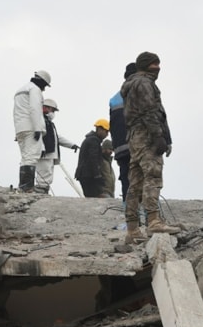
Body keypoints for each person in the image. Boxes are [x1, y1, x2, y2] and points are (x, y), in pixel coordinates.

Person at [120, 51, 179, 244]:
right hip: (146, 135)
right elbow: (149, 110)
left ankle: (132, 228)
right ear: (147, 66)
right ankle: (153, 220)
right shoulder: (145, 83)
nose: (158, 68)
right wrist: (158, 136)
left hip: (134, 137)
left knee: (135, 182)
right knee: (152, 175)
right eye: (155, 64)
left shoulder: (131, 84)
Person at [13, 70, 51, 192]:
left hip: (20, 128)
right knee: (32, 157)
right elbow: (35, 109)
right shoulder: (35, 90)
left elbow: (17, 112)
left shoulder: (20, 90)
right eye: (44, 86)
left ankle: (23, 186)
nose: (44, 89)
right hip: (31, 127)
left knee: (25, 157)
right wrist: (37, 128)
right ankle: (27, 187)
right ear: (42, 82)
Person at [34, 99, 78, 194]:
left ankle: (44, 190)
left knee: (48, 172)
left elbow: (57, 138)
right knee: (44, 172)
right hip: (44, 152)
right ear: (45, 107)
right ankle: (40, 190)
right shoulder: (39, 120)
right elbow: (38, 136)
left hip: (50, 153)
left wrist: (71, 145)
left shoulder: (49, 123)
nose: (53, 113)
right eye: (52, 110)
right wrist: (42, 148)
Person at [109, 62, 137, 200]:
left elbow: (113, 126)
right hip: (138, 145)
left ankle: (129, 212)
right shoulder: (142, 91)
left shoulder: (114, 99)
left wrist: (115, 147)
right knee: (143, 178)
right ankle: (146, 213)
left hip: (120, 147)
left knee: (126, 179)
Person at [75, 119, 110, 197]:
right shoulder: (94, 140)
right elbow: (93, 159)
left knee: (94, 197)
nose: (107, 134)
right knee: (95, 198)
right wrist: (97, 175)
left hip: (86, 175)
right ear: (99, 129)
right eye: (106, 131)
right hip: (88, 176)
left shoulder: (92, 139)